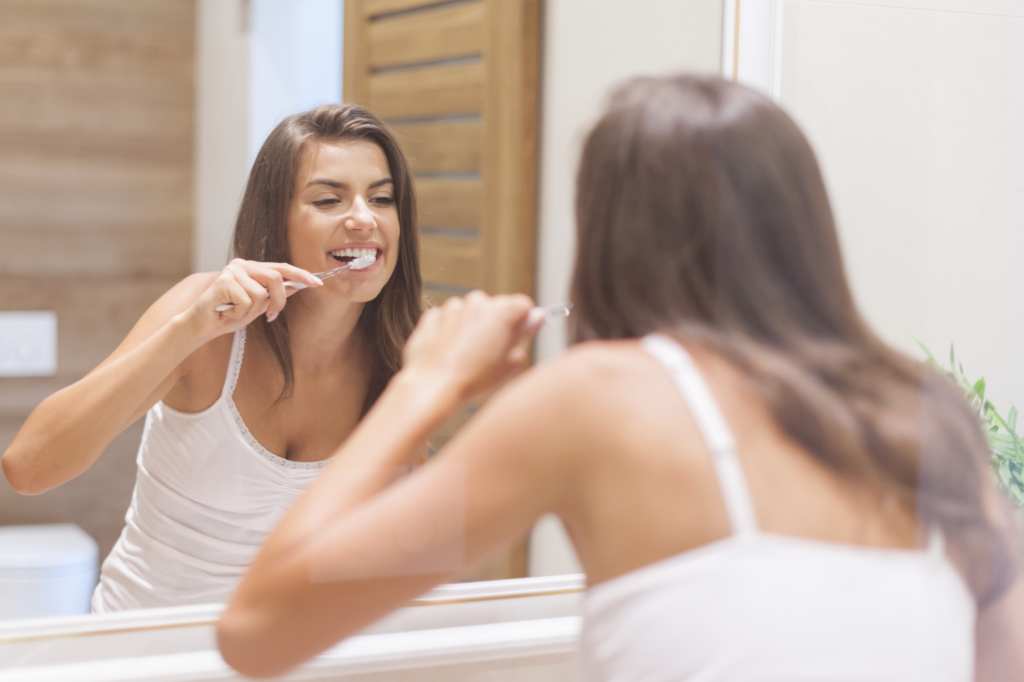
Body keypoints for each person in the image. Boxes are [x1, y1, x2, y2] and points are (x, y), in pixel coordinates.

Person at [217, 76, 1024, 680]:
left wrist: (424, 385)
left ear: (611, 232)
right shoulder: (929, 413)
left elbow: (258, 630)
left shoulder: (594, 403)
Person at [1, 104, 423, 612]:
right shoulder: (201, 317)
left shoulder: (408, 358)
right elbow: (29, 468)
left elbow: (408, 555)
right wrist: (188, 332)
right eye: (329, 199)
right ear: (277, 220)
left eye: (382, 198)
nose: (363, 218)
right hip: (144, 652)